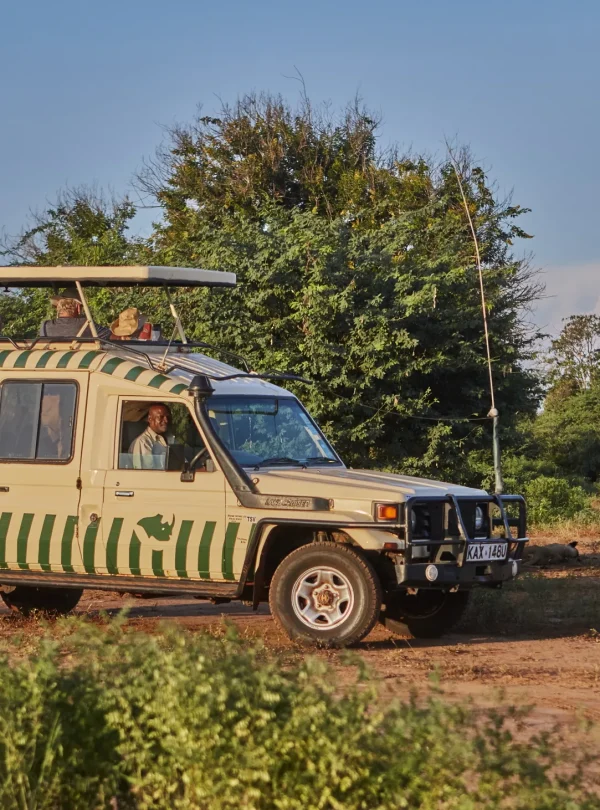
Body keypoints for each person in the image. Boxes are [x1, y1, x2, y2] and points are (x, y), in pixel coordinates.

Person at [129, 404, 171, 469]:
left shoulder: (168, 439)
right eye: (161, 417)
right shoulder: (143, 442)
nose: (166, 420)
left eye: (168, 417)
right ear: (150, 419)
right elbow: (145, 473)